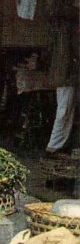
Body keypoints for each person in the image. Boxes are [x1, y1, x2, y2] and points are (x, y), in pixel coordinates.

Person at [46, 18, 78, 154]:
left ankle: (57, 143)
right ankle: (55, 144)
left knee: (65, 110)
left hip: (63, 78)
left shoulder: (59, 37)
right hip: (67, 78)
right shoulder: (66, 38)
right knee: (64, 111)